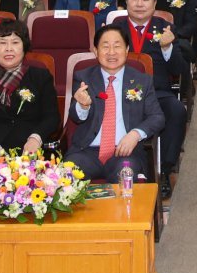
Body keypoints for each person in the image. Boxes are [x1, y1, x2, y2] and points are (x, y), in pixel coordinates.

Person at [105, 0, 189, 191]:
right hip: (119, 92)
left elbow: (180, 68)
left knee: (176, 110)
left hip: (157, 93)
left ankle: (164, 172)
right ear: (126, 3)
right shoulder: (115, 30)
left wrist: (168, 47)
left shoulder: (164, 27)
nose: (139, 4)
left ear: (154, 4)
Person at [65, 23, 166, 185]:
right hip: (86, 151)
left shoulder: (141, 80)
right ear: (95, 51)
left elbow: (157, 117)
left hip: (125, 152)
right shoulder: (83, 77)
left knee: (126, 174)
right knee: (66, 175)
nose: (111, 52)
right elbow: (75, 117)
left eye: (117, 46)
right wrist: (83, 106)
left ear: (127, 50)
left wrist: (135, 134)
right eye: (105, 47)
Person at [0, 19, 60, 164]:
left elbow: (52, 118)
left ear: (24, 46)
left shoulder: (40, 76)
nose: (9, 49)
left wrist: (35, 138)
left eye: (15, 42)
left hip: (26, 149)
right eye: (2, 43)